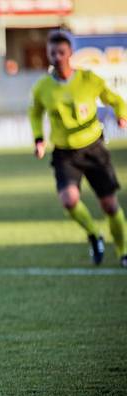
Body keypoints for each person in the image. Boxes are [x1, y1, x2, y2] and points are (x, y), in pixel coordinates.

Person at [29, 30, 127, 268]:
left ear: (70, 53)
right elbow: (35, 113)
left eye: (61, 52)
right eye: (52, 52)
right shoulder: (43, 87)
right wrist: (39, 139)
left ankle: (123, 252)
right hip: (64, 153)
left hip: (93, 148)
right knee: (69, 200)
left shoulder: (88, 79)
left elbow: (115, 99)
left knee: (109, 205)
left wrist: (121, 115)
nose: (57, 56)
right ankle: (94, 234)